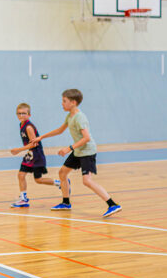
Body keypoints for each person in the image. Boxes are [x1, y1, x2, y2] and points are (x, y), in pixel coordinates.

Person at [33, 89, 122, 218]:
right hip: (78, 150)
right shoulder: (70, 116)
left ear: (73, 102)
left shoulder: (80, 118)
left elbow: (86, 138)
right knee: (62, 172)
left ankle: (112, 204)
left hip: (87, 152)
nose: (62, 104)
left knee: (87, 181)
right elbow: (60, 130)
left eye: (64, 101)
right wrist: (41, 137)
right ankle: (66, 203)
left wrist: (69, 148)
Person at [9, 102, 62, 207]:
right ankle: (23, 199)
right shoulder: (21, 124)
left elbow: (34, 144)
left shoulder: (29, 127)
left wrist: (18, 150)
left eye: (24, 113)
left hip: (36, 155)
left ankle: (60, 183)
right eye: (19, 113)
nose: (21, 116)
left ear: (29, 115)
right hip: (30, 155)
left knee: (38, 180)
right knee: (21, 175)